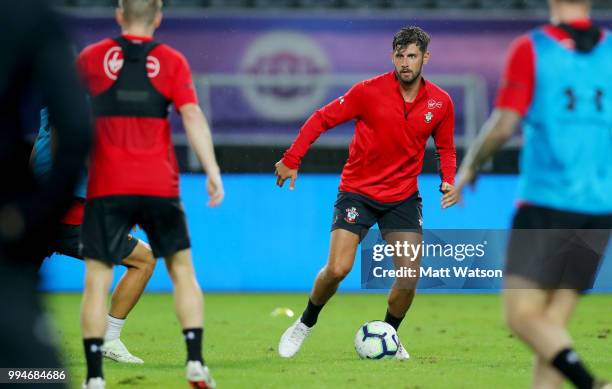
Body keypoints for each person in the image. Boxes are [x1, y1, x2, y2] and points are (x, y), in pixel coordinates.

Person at [445, 1, 612, 388]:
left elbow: (504, 125)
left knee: (521, 316)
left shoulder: (532, 48)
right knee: (551, 328)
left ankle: (593, 385)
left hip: (546, 204)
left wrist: (470, 164)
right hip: (600, 208)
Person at [275, 26, 457, 359]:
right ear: (393, 56)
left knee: (408, 278)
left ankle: (390, 334)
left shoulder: (440, 103)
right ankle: (304, 323)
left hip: (402, 197)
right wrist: (292, 158)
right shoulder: (368, 92)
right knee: (338, 269)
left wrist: (449, 178)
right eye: (400, 55)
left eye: (412, 56)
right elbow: (321, 118)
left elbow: (445, 146)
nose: (405, 63)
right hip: (358, 192)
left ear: (425, 58)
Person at [76, 1, 224, 388]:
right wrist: (212, 170)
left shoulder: (92, 58)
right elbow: (192, 116)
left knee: (96, 279)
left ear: (119, 14)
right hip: (159, 185)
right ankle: (194, 362)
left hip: (108, 185)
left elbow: (67, 116)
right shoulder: (171, 61)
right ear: (158, 17)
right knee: (183, 273)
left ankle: (94, 377)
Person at [0, 1, 91, 388]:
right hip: (9, 223)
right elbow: (76, 132)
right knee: (37, 374)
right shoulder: (30, 19)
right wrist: (37, 216)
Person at [31, 108, 156, 364]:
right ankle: (109, 339)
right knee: (143, 259)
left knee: (16, 277)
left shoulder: (60, 86)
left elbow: (42, 140)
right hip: (68, 207)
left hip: (40, 203)